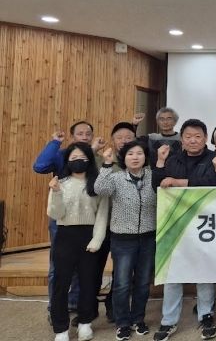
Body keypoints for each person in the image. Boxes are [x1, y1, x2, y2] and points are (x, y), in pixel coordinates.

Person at [151, 119, 216, 341]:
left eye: (198, 136)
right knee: (173, 272)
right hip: (175, 223)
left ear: (205, 138)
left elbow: (210, 183)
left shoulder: (214, 158)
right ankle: (168, 320)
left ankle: (206, 316)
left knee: (204, 272)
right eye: (188, 136)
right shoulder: (172, 159)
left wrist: (176, 182)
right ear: (181, 139)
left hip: (205, 223)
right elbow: (158, 185)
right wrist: (160, 163)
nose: (193, 140)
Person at [34, 121, 104, 322]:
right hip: (62, 220)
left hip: (87, 222)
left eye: (88, 133)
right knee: (58, 267)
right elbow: (40, 167)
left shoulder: (95, 157)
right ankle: (55, 307)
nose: (85, 136)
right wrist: (55, 143)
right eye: (80, 133)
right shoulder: (63, 154)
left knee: (83, 268)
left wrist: (92, 153)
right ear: (73, 136)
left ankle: (74, 304)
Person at [94, 140, 156, 341]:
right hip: (122, 240)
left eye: (139, 153)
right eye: (130, 154)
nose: (135, 157)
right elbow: (99, 189)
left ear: (145, 157)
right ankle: (122, 323)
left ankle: (138, 319)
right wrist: (106, 164)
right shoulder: (116, 177)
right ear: (124, 158)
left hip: (148, 237)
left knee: (143, 282)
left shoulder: (153, 176)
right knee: (121, 284)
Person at [47, 142, 108, 341]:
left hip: (89, 236)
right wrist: (56, 192)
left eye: (82, 157)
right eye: (73, 158)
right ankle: (61, 329)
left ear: (90, 160)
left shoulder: (97, 185)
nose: (78, 161)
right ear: (67, 161)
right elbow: (55, 214)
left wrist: (97, 240)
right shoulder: (60, 183)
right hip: (65, 236)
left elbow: (102, 215)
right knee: (61, 284)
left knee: (88, 282)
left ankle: (85, 323)